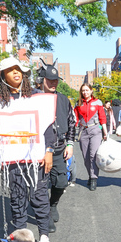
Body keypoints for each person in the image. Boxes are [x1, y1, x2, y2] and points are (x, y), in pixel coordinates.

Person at [0, 56, 55, 242]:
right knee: (17, 202)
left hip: (36, 160)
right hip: (13, 161)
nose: (16, 73)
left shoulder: (36, 98)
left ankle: (43, 238)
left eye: (19, 69)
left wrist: (49, 151)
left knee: (40, 199)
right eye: (11, 70)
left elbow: (48, 128)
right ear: (3, 76)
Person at [38, 60, 76, 232]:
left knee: (61, 182)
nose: (53, 83)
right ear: (42, 80)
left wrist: (70, 143)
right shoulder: (33, 98)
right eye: (49, 80)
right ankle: (45, 215)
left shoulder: (63, 99)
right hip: (39, 148)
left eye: (55, 80)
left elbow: (72, 122)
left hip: (60, 148)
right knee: (40, 185)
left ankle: (53, 204)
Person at [74, 83, 107, 191]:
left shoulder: (97, 102)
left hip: (95, 130)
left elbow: (102, 118)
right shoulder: (78, 103)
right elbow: (75, 119)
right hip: (83, 131)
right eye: (83, 90)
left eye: (87, 90)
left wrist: (105, 132)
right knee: (86, 157)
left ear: (91, 91)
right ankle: (90, 174)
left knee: (93, 155)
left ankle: (94, 178)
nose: (85, 92)